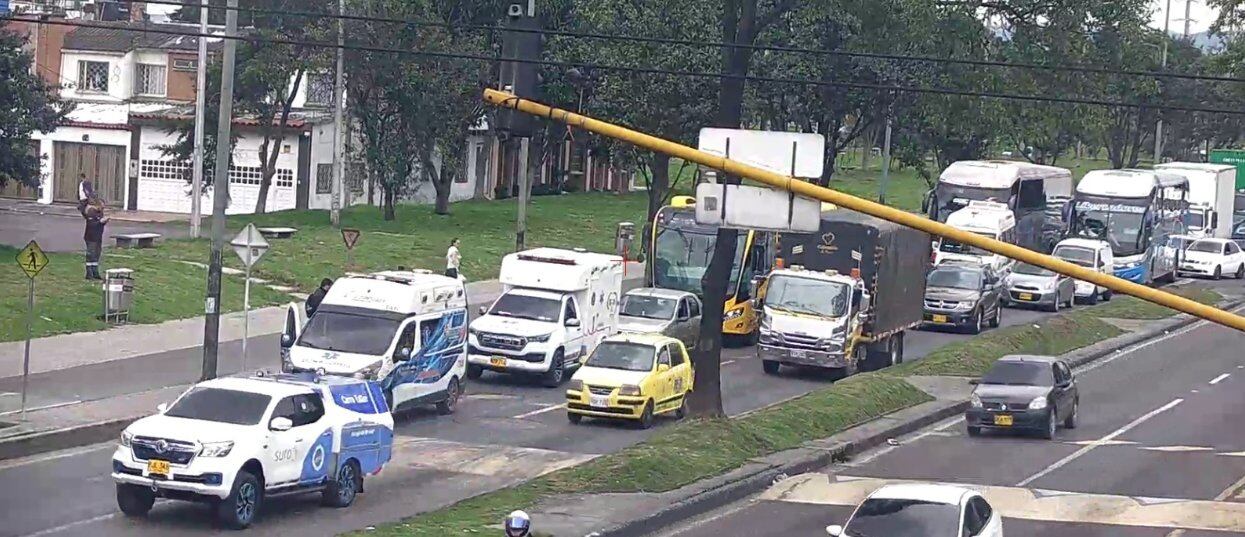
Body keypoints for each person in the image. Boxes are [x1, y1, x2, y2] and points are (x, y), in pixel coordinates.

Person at [83, 199, 108, 280]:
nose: (102, 209)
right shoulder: (91, 212)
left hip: (98, 237)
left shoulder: (100, 213)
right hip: (91, 237)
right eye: (102, 207)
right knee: (91, 255)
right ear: (97, 205)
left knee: (97, 255)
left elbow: (99, 224)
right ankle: (89, 274)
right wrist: (100, 222)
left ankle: (95, 273)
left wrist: (104, 222)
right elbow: (92, 225)